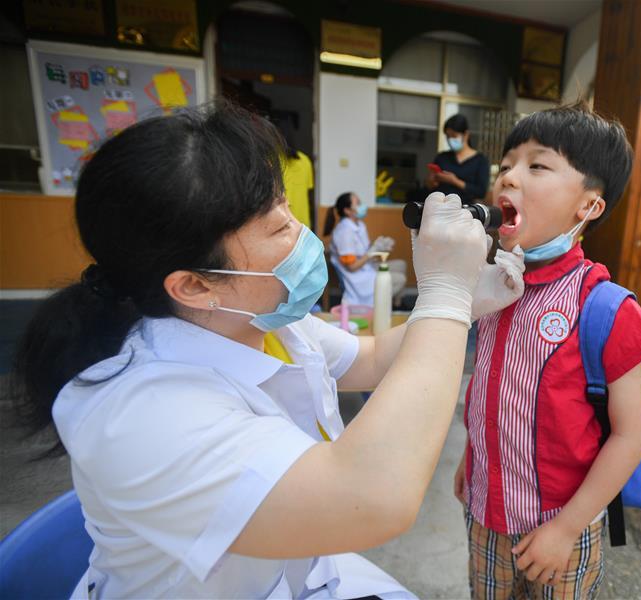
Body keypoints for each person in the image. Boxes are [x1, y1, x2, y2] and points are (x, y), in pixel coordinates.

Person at [11, 101, 525, 598]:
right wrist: (444, 296)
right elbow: (373, 497)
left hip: (291, 575)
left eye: (286, 206)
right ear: (192, 286)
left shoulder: (263, 321)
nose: (301, 232)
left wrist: (469, 303)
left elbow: (368, 359)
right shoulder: (139, 416)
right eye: (278, 225)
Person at [452, 102, 641, 599]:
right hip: (486, 514)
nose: (509, 176)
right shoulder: (494, 286)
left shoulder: (605, 307)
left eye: (537, 165)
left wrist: (566, 529)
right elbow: (491, 388)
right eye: (506, 164)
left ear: (589, 206)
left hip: (561, 531)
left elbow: (630, 436)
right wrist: (472, 461)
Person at [323, 192, 407, 307]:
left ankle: (396, 304)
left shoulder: (359, 225)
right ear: (347, 210)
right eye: (358, 204)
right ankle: (381, 305)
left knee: (401, 265)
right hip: (358, 278)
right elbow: (352, 267)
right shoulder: (344, 232)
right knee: (400, 279)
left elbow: (363, 248)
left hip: (366, 267)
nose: (362, 206)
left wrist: (380, 245)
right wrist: (372, 251)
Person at [425, 114, 490, 205]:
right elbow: (429, 185)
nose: (450, 139)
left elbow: (481, 192)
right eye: (448, 136)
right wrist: (431, 181)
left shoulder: (480, 160)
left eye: (454, 136)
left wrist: (454, 181)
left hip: (466, 211)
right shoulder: (442, 157)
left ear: (466, 135)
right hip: (441, 208)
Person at [275, 119, 316, 230]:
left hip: (282, 222)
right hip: (303, 222)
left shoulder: (272, 161)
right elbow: (309, 191)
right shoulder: (305, 160)